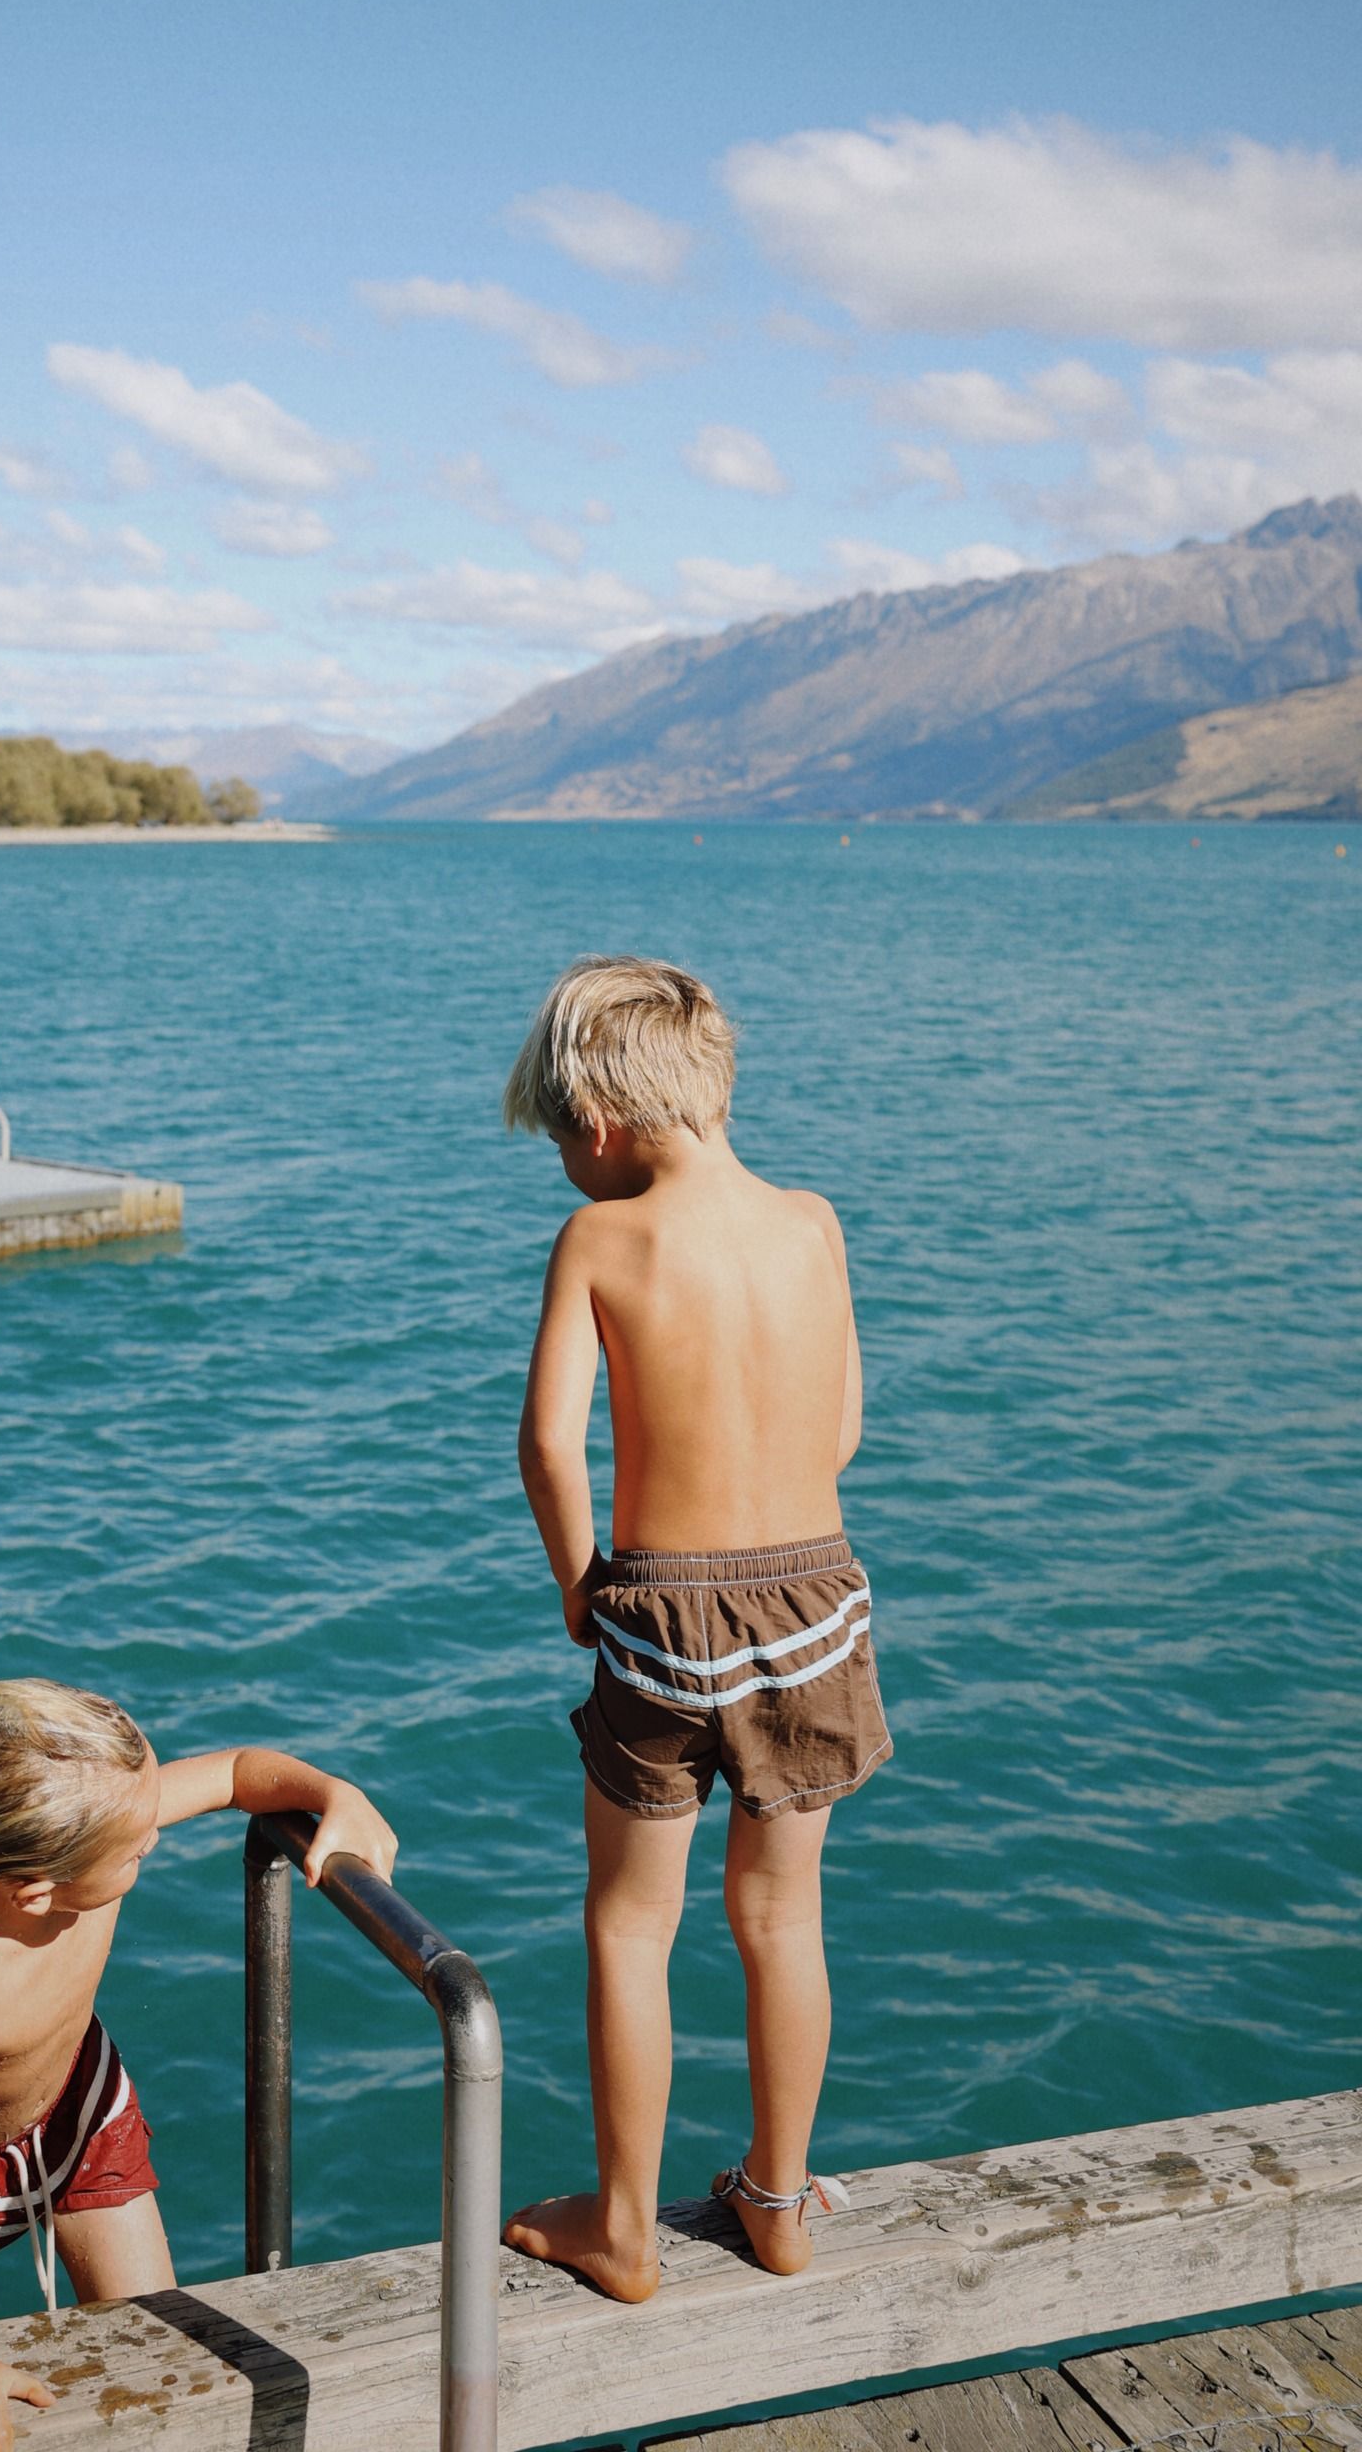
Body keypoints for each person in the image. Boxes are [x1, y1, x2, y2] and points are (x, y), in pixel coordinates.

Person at [497, 955, 889, 2302]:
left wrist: (577, 1581)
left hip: (662, 1608)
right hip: (817, 1597)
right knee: (783, 1915)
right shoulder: (815, 1224)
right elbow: (839, 1429)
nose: (561, 1162)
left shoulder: (603, 1240)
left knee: (630, 1922)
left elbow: (549, 1445)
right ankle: (778, 2203)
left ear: (599, 1124)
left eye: (555, 1138)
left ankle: (624, 2230)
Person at [0, 1677, 397, 2452]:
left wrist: (333, 1793)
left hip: (81, 2107)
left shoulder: (94, 1835)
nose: (151, 1838)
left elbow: (235, 1773)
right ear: (36, 1893)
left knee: (162, 2352)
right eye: (134, 1847)